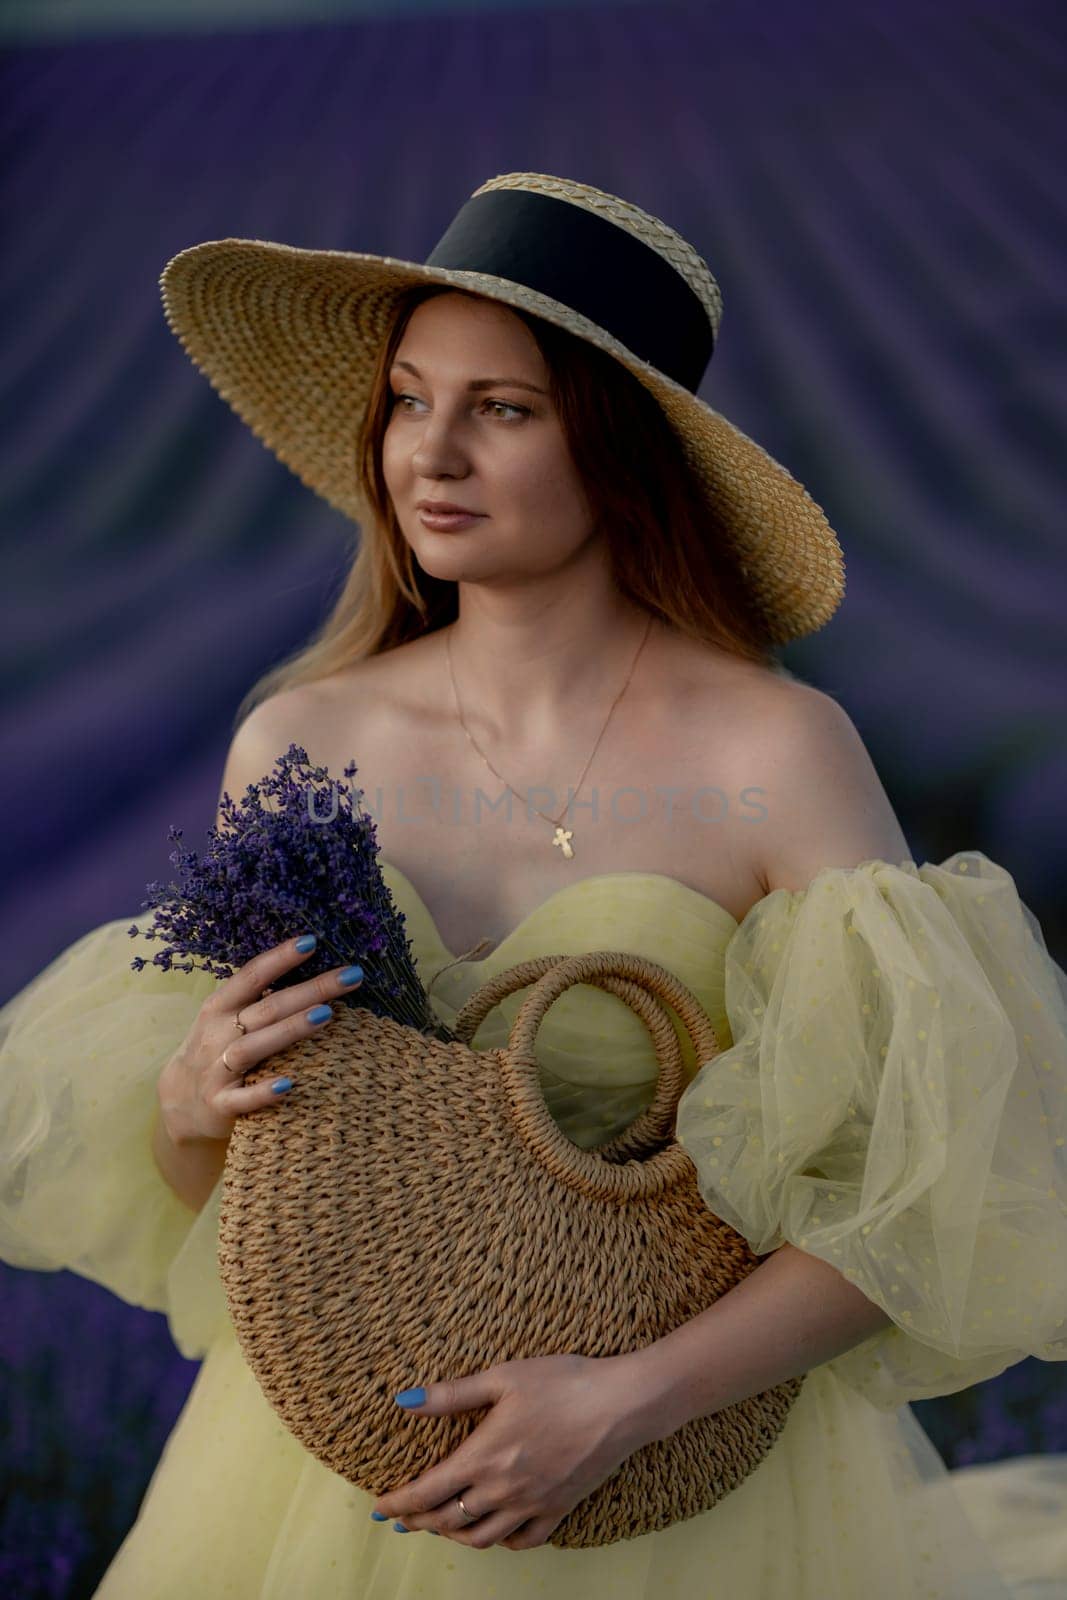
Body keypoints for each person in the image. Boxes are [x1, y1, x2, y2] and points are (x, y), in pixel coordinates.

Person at [1, 171, 1065, 1598]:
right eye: (408, 399)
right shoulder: (306, 741)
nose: (427, 454)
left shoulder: (776, 751)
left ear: (620, 450)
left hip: (679, 1474)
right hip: (326, 1470)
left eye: (503, 409)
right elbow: (249, 1206)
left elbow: (920, 1192)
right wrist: (195, 1107)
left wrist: (632, 1403)